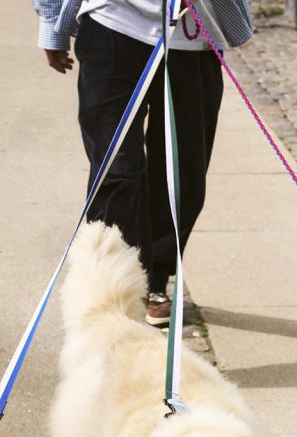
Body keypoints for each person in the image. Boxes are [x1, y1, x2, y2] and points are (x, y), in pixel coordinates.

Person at [33, 0, 252, 324]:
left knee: (183, 173)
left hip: (194, 36)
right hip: (112, 23)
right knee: (116, 171)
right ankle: (115, 292)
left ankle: (154, 281)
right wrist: (52, 25)